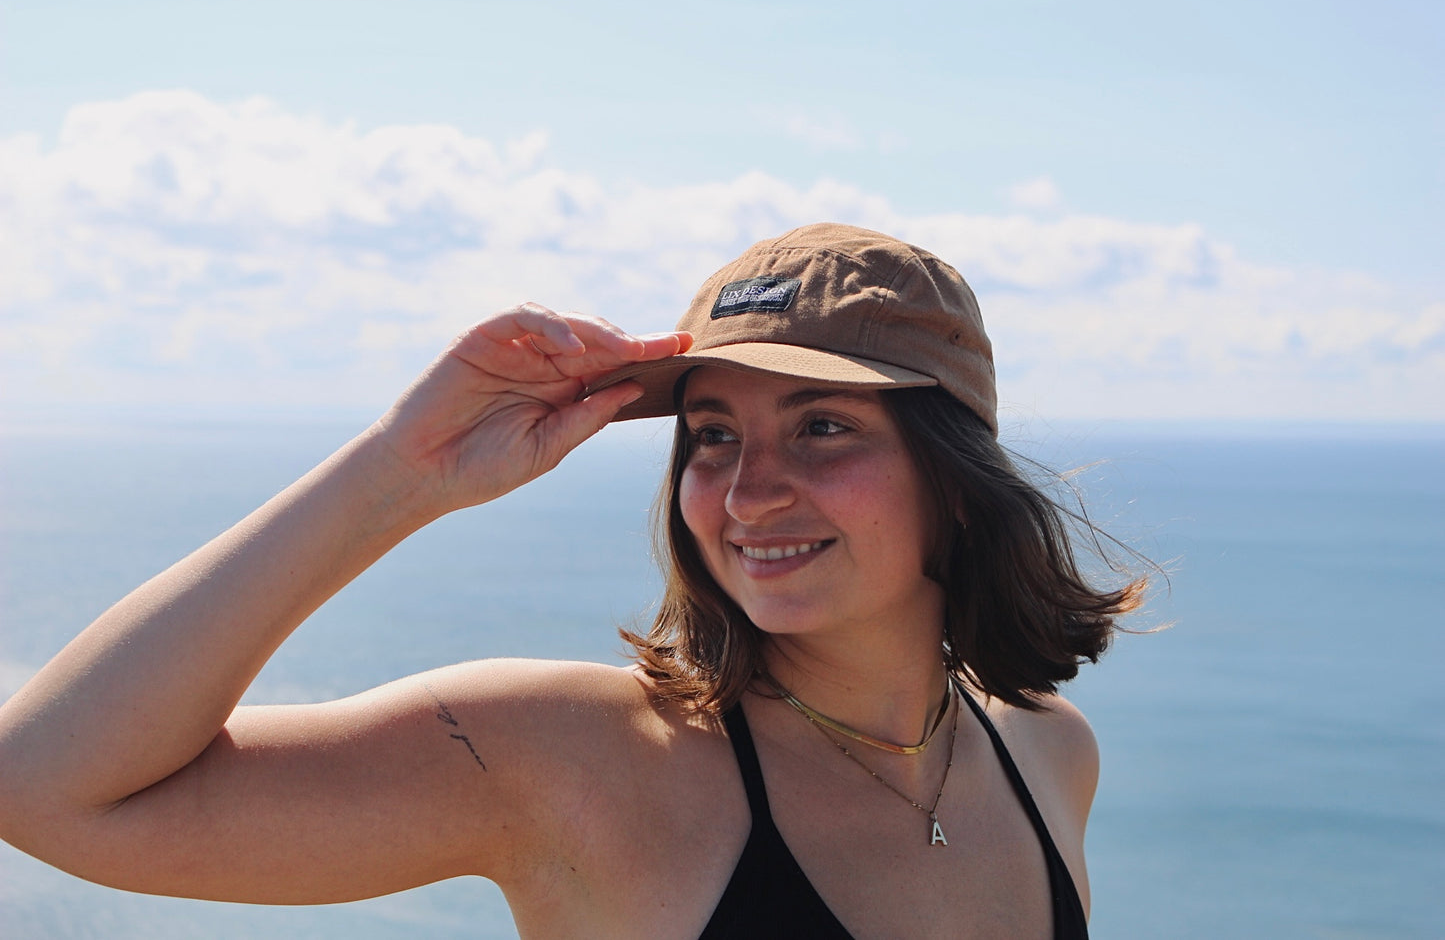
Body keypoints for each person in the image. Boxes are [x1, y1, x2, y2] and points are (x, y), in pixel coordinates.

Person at [0, 223, 1144, 938]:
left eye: (823, 428)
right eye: (709, 435)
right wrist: (400, 474)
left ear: (951, 479)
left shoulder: (1045, 754)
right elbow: (46, 789)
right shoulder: (573, 761)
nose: (749, 493)